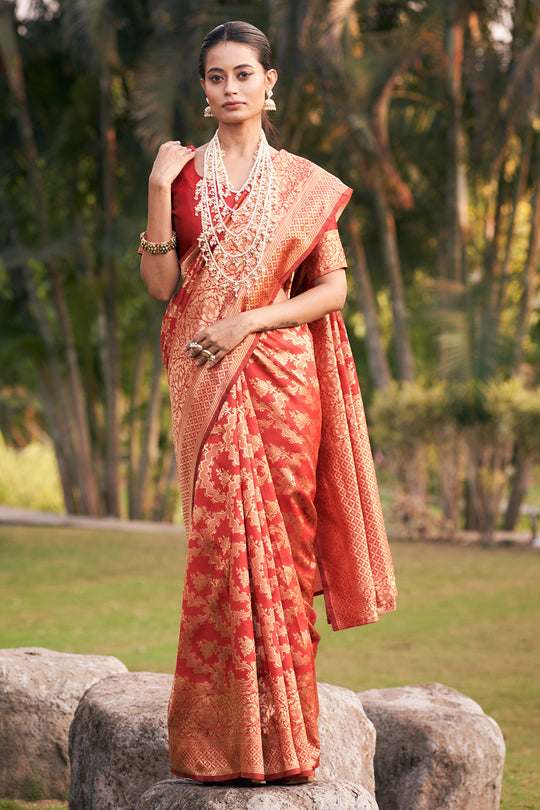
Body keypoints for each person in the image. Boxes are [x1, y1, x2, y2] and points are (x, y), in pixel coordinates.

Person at [140, 20, 397, 786]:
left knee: (283, 557)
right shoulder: (180, 178)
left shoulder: (302, 183)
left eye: (243, 75)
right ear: (203, 88)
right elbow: (162, 288)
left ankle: (288, 744)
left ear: (269, 81)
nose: (229, 89)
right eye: (216, 77)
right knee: (220, 555)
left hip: (284, 382)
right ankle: (217, 745)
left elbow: (334, 287)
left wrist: (249, 319)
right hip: (206, 387)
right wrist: (156, 188)